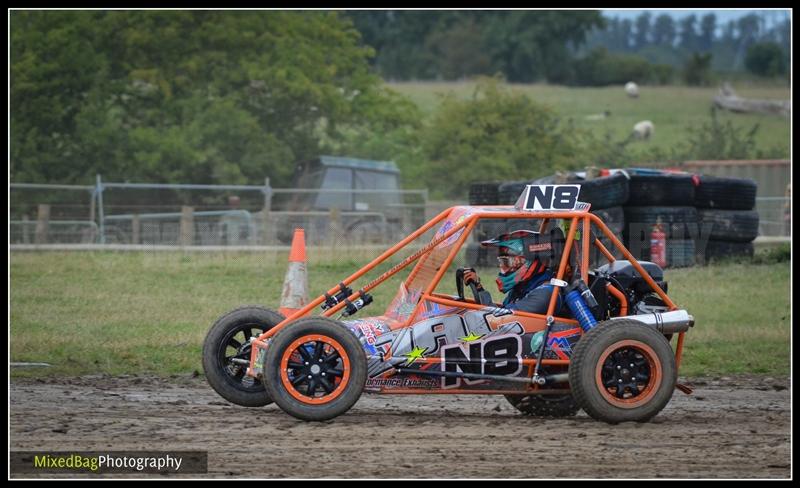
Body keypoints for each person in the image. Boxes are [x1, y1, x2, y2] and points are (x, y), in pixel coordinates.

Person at [463, 230, 562, 316]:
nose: (502, 267)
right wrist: (479, 288)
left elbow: (501, 319)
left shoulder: (545, 293)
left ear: (526, 262)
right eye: (500, 262)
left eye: (506, 262)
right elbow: (501, 313)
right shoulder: (522, 287)